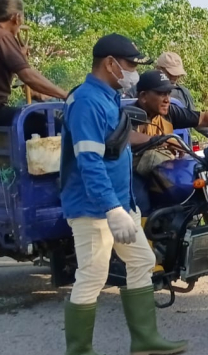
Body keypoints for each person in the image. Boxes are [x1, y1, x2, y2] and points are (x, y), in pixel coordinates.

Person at [59, 33, 187, 355]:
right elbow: (89, 161)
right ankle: (79, 351)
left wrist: (120, 207)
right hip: (94, 208)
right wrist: (111, 209)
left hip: (118, 203)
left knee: (143, 260)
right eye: (130, 65)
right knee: (92, 275)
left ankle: (145, 340)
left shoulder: (109, 98)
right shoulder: (87, 101)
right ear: (110, 64)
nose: (132, 72)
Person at [131, 69, 208, 177]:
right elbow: (127, 136)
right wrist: (163, 140)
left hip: (164, 171)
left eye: (168, 93)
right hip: (135, 176)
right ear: (143, 96)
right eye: (161, 93)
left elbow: (202, 118)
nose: (167, 99)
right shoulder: (129, 114)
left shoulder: (169, 111)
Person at [0, 0, 68, 132]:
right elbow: (27, 75)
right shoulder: (4, 35)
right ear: (16, 18)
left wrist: (19, 57)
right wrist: (65, 94)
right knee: (56, 126)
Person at [125, 51, 208, 145]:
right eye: (171, 73)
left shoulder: (183, 93)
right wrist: (162, 141)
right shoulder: (139, 90)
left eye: (177, 74)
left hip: (180, 146)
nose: (175, 77)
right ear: (158, 69)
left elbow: (196, 119)